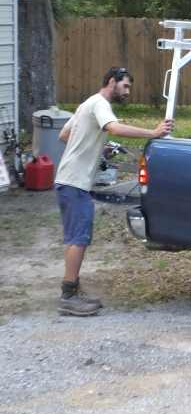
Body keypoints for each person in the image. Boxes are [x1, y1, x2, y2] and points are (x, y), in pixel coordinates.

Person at [55, 67, 174, 316]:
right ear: (112, 82)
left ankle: (71, 288)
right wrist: (153, 133)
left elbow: (64, 135)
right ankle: (68, 297)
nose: (128, 91)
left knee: (73, 237)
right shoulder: (100, 103)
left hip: (66, 180)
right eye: (125, 86)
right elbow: (116, 128)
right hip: (76, 182)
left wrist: (99, 145)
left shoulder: (87, 103)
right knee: (79, 237)